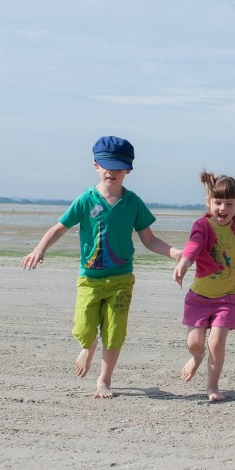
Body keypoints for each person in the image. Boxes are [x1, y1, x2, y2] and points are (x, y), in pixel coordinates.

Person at [21, 135, 181, 399]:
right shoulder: (86, 200)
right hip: (90, 280)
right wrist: (39, 249)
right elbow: (60, 228)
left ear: (127, 169)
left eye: (118, 166)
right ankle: (88, 345)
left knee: (114, 332)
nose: (112, 171)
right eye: (106, 165)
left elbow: (149, 239)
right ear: (96, 165)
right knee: (83, 328)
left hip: (121, 280)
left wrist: (174, 252)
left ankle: (104, 380)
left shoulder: (133, 203)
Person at [172, 171, 235, 402]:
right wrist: (184, 263)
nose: (223, 208)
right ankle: (196, 358)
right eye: (218, 202)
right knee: (195, 343)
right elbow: (194, 244)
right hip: (199, 297)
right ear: (209, 202)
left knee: (216, 342)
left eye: (229, 204)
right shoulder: (202, 225)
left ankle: (212, 386)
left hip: (228, 298)